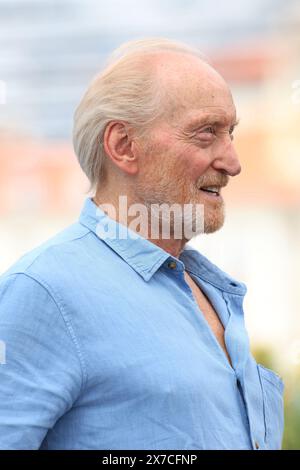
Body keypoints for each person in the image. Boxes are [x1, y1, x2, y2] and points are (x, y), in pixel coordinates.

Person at [0, 38, 284, 450]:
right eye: (206, 133)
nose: (233, 162)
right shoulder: (42, 292)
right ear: (123, 146)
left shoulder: (209, 290)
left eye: (231, 132)